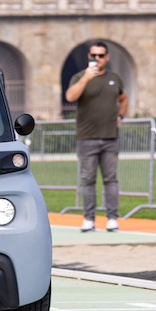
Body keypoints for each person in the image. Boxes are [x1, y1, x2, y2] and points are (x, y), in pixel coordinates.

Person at [65, 41, 128, 233]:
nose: (97, 59)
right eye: (94, 55)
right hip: (87, 137)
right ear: (89, 57)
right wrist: (86, 78)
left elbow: (123, 98)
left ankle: (112, 218)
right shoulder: (79, 77)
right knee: (87, 180)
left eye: (101, 55)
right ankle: (89, 219)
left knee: (111, 179)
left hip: (110, 137)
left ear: (107, 57)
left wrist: (121, 116)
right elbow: (70, 97)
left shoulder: (114, 78)